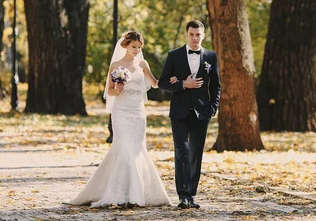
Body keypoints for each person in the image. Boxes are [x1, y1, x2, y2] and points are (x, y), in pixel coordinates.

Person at [68, 31, 172, 208]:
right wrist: (119, 89)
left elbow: (154, 83)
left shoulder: (142, 64)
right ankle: (119, 193)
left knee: (137, 148)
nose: (136, 51)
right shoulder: (116, 65)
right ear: (126, 45)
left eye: (139, 48)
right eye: (134, 47)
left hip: (138, 112)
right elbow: (109, 91)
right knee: (123, 146)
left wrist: (170, 79)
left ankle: (136, 193)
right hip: (121, 112)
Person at [158, 20, 221, 209]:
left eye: (198, 35)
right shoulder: (174, 56)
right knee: (182, 151)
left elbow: (216, 85)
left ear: (203, 35)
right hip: (179, 112)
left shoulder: (211, 56)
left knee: (196, 153)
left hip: (202, 113)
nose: (195, 38)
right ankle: (182, 195)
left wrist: (213, 108)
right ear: (187, 34)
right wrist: (183, 85)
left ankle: (192, 194)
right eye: (192, 34)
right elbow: (162, 83)